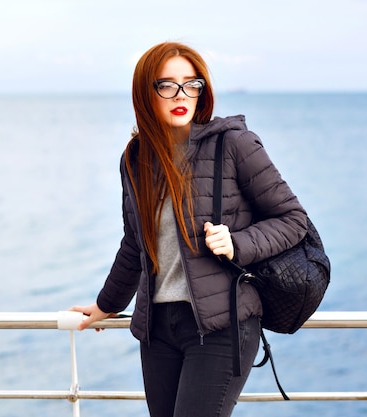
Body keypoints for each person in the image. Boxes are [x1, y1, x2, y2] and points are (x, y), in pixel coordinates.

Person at [70, 41, 308, 417]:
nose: (181, 94)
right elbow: (136, 244)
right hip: (158, 328)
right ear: (145, 94)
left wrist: (238, 243)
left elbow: (294, 221)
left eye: (191, 84)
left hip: (222, 323)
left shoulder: (234, 145)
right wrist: (106, 305)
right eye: (167, 85)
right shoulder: (135, 158)